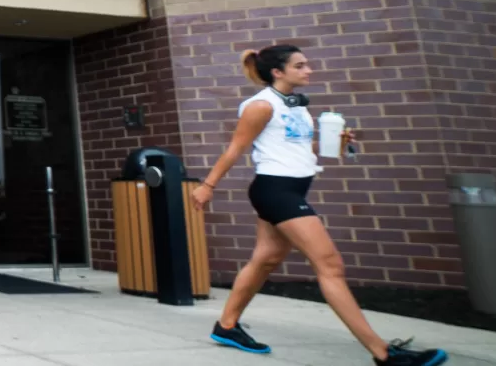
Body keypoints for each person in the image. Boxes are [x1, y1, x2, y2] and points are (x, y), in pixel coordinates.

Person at [191, 45, 447, 366]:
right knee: (330, 266)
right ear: (278, 72)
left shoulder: (296, 105)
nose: (308, 70)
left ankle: (226, 326)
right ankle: (384, 354)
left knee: (265, 260)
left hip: (294, 188)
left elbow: (294, 143)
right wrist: (208, 185)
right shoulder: (261, 106)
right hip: (276, 190)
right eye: (300, 65)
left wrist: (337, 141)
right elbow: (235, 149)